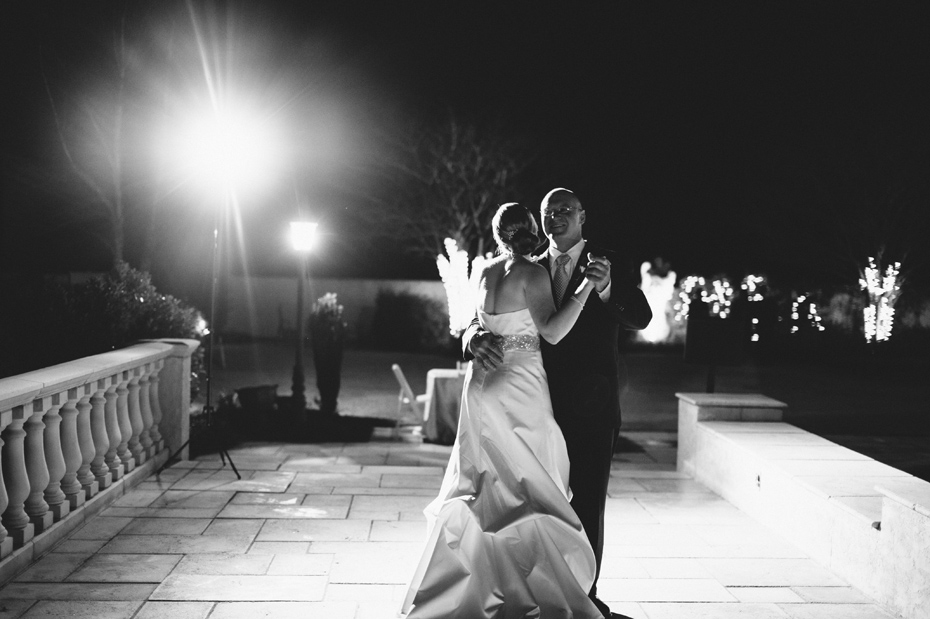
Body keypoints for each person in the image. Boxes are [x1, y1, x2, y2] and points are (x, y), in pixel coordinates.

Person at [401, 202, 605, 618]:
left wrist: (475, 332)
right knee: (528, 485)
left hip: (480, 386)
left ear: (496, 234)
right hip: (520, 387)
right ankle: (527, 583)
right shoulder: (533, 272)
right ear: (531, 230)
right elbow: (551, 330)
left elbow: (471, 320)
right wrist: (585, 289)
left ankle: (481, 583)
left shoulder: (483, 270)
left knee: (482, 486)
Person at [464, 188, 652, 619]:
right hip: (531, 404)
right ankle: (534, 587)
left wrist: (605, 291)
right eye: (549, 211)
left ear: (583, 216)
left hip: (590, 404)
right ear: (539, 221)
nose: (557, 217)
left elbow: (641, 317)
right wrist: (472, 335)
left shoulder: (607, 260)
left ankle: (585, 594)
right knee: (531, 500)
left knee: (585, 501)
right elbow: (485, 315)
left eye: (566, 210)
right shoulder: (529, 267)